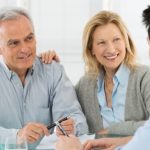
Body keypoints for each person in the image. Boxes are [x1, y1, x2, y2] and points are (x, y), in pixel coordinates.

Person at [55, 5, 150, 150]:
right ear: (91, 49)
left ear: (126, 42)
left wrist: (112, 130)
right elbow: (69, 116)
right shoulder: (85, 85)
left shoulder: (144, 78)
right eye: (101, 43)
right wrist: (47, 64)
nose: (111, 49)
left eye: (116, 40)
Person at [0, 7, 88, 147]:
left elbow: (77, 119)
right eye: (14, 43)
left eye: (29, 38)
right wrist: (16, 136)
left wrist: (73, 126)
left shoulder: (52, 71)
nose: (24, 48)